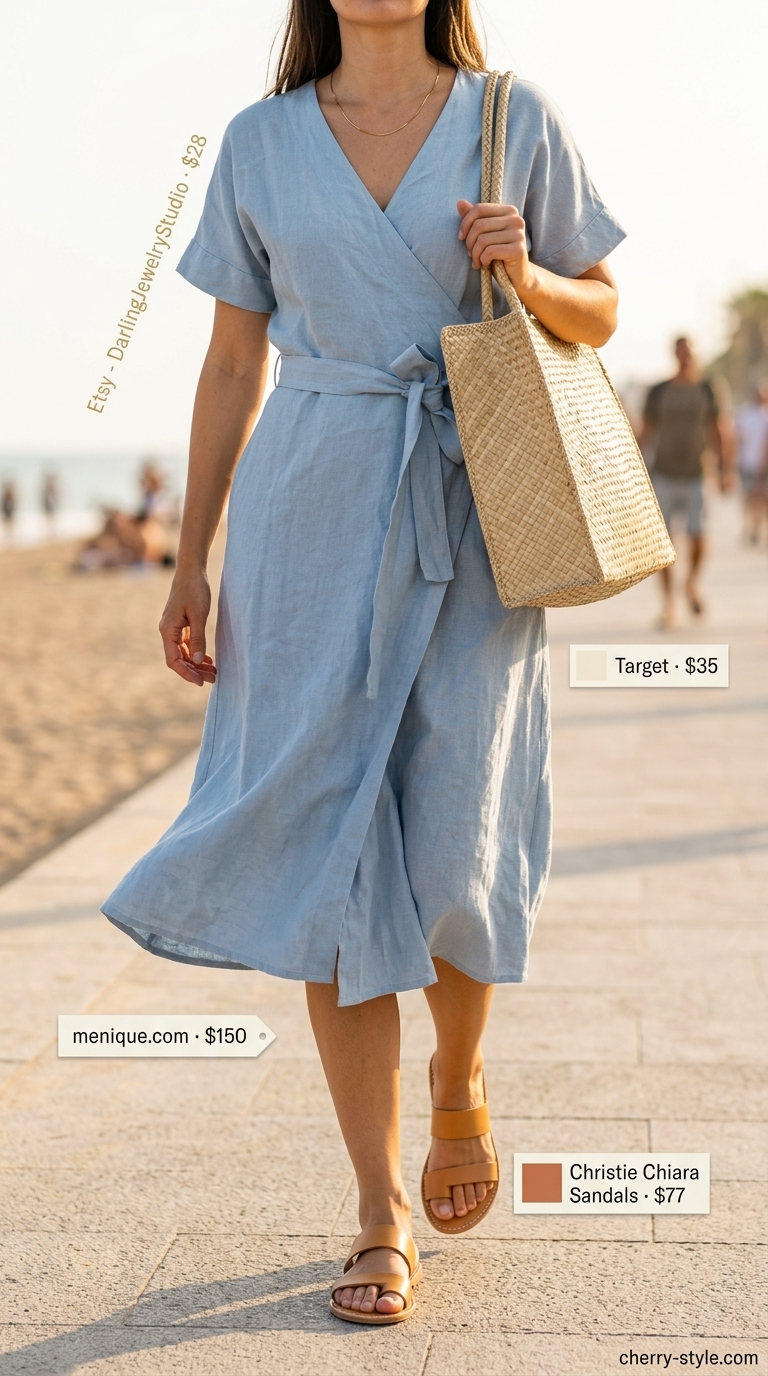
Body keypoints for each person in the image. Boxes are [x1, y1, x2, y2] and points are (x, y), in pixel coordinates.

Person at [102, 0, 624, 1325]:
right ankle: (378, 1206)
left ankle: (459, 1080)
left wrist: (530, 273)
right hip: (312, 513)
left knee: (456, 840)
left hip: (477, 504)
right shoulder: (261, 142)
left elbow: (604, 312)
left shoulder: (519, 118)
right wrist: (188, 558)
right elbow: (231, 364)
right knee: (335, 845)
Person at [640, 337, 730, 629]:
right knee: (663, 545)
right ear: (674, 355)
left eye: (689, 352)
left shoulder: (708, 388)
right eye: (680, 352)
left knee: (698, 536)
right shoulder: (659, 391)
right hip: (664, 474)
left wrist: (727, 468)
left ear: (694, 354)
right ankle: (668, 606)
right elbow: (644, 432)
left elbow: (720, 430)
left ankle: (691, 582)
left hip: (696, 474)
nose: (685, 357)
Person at [734, 384, 768, 544]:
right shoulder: (745, 415)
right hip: (747, 463)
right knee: (747, 498)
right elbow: (736, 438)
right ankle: (748, 528)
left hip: (764, 466)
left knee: (762, 499)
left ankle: (758, 530)